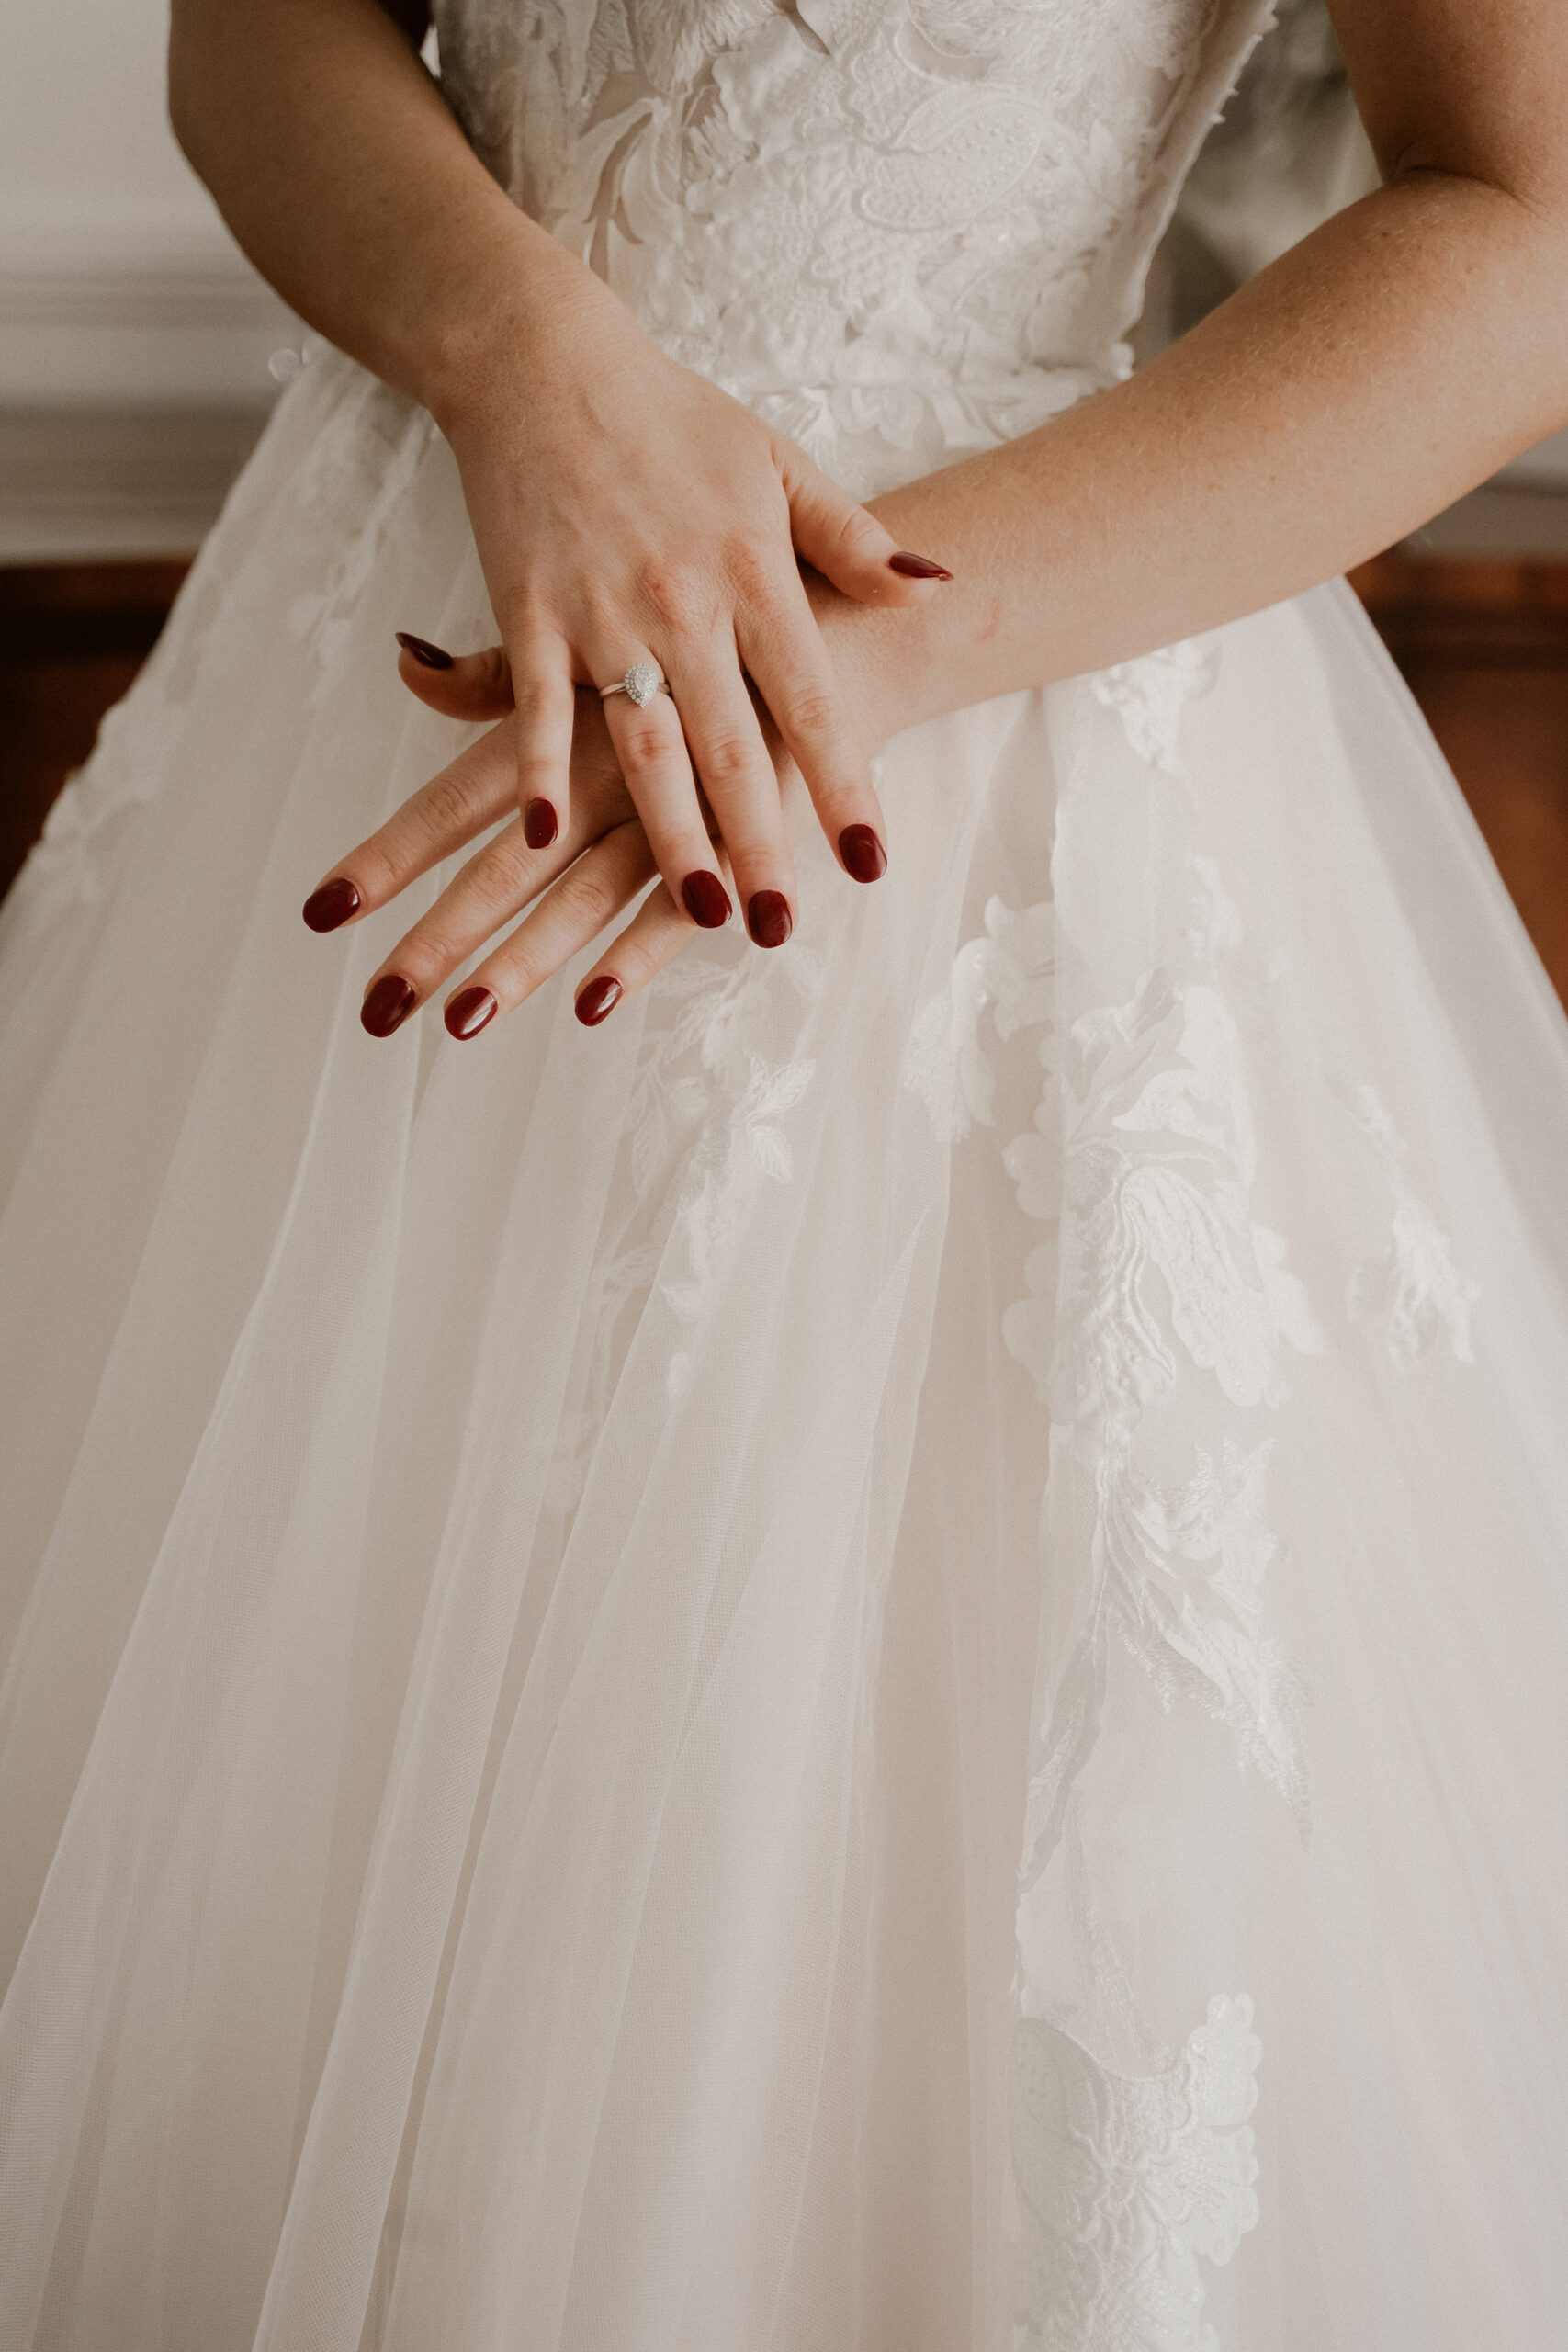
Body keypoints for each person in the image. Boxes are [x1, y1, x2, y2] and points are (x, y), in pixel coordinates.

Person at [2, 0, 1566, 2344]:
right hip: (412, 615)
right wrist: (536, 364)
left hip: (964, 698)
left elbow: (1522, 217)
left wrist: (799, 682)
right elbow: (255, 33)